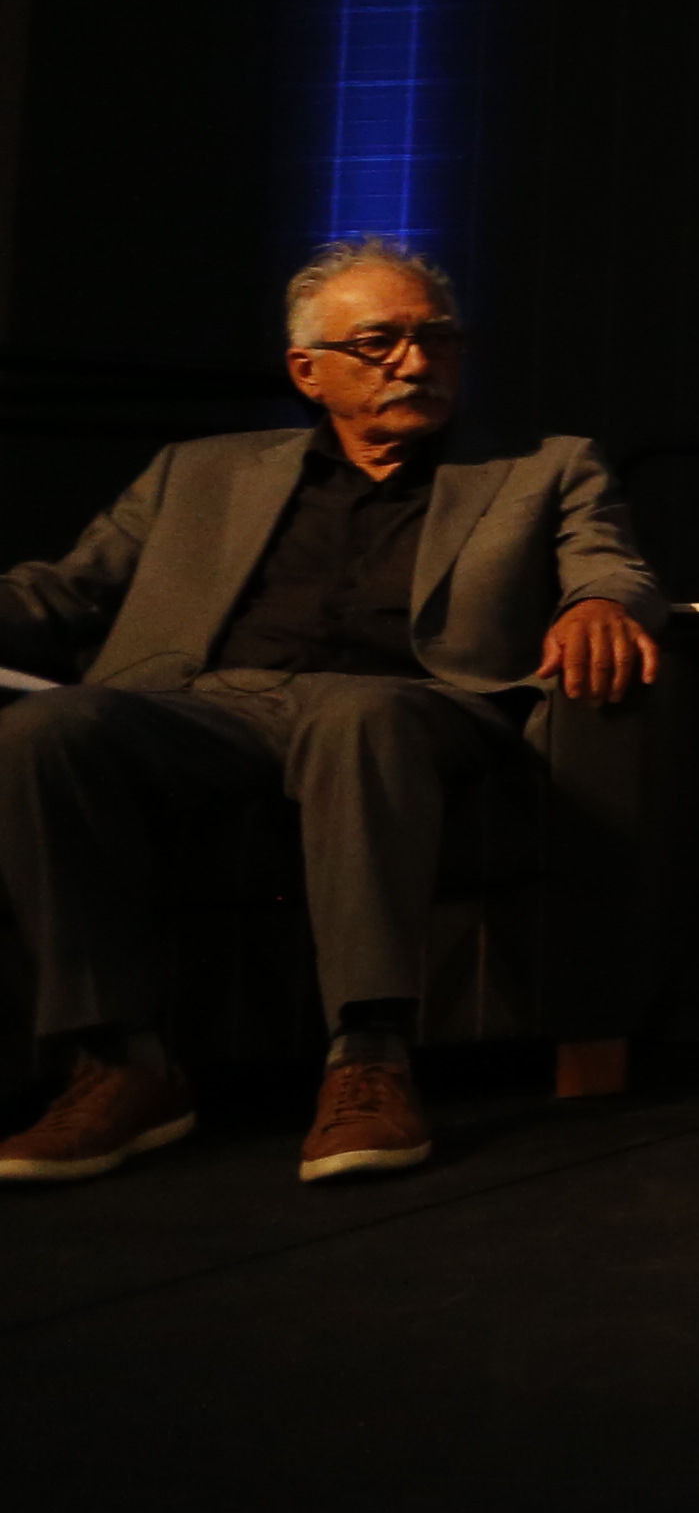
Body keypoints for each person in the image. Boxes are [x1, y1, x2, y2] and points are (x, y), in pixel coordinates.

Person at [0, 238, 665, 1188]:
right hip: (205, 705)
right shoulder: (199, 471)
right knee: (44, 730)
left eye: (437, 338)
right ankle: (122, 1065)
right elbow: (64, 593)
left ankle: (369, 1059)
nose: (417, 361)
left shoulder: (541, 468)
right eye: (381, 342)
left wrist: (601, 605)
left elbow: (609, 563)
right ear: (308, 373)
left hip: (419, 703)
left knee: (356, 716)